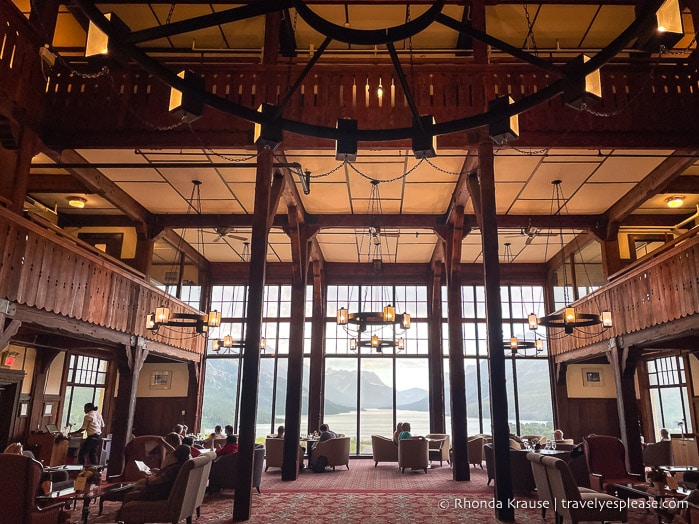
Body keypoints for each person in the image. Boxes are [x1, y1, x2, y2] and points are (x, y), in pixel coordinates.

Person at [124, 444, 191, 502]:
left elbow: (158, 481)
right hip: (165, 492)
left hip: (160, 493)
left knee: (129, 495)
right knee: (136, 487)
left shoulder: (174, 468)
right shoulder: (184, 465)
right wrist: (158, 471)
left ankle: (122, 515)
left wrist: (147, 479)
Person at [70, 402, 105, 467]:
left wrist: (72, 433)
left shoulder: (88, 416)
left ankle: (81, 468)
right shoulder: (99, 414)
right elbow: (102, 426)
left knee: (82, 453)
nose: (84, 410)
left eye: (85, 408)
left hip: (92, 437)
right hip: (98, 436)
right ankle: (94, 469)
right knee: (93, 453)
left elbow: (83, 429)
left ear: (89, 408)